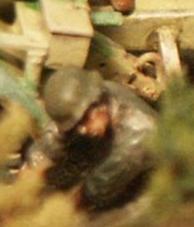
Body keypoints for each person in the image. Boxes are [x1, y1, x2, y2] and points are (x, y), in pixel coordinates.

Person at [36, 68, 157, 214]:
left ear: (98, 103)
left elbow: (96, 187)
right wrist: (32, 171)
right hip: (112, 156)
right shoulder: (91, 93)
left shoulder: (139, 132)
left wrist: (57, 214)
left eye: (84, 121)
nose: (82, 129)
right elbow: (55, 135)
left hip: (150, 181)